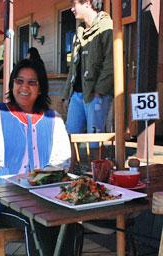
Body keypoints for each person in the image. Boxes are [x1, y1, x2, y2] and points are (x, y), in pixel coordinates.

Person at [0, 59, 75, 255]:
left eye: (32, 82)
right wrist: (17, 186)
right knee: (37, 218)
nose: (24, 87)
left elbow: (61, 162)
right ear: (12, 84)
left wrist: (40, 184)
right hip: (0, 200)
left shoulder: (53, 118)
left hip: (46, 196)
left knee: (70, 220)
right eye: (19, 81)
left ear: (40, 88)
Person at [61, 0, 113, 170]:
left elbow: (111, 62)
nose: (71, 8)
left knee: (95, 139)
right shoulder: (79, 31)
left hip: (96, 93)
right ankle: (72, 171)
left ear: (88, 3)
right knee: (70, 133)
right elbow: (73, 68)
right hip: (76, 94)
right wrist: (66, 94)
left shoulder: (107, 26)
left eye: (74, 3)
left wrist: (100, 90)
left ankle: (97, 175)